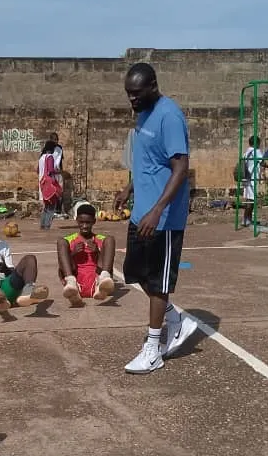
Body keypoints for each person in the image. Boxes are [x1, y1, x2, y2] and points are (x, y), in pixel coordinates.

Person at [114, 63, 199, 374]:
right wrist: (129, 187)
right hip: (142, 213)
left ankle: (153, 350)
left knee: (158, 282)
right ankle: (175, 318)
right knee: (134, 273)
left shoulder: (170, 116)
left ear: (153, 86)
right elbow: (148, 160)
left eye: (136, 93)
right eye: (128, 95)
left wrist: (158, 209)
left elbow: (180, 169)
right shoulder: (143, 113)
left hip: (163, 219)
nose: (132, 100)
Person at [57, 203, 116, 307]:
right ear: (77, 220)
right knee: (61, 242)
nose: (84, 226)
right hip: (76, 285)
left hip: (99, 284)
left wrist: (97, 252)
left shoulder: (101, 239)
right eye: (81, 222)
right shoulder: (70, 240)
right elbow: (60, 268)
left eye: (88, 223)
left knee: (110, 239)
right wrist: (72, 254)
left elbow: (107, 264)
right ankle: (71, 283)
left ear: (94, 221)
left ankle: (103, 279)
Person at [240, 136, 265, 228]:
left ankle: (248, 219)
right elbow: (262, 162)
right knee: (251, 200)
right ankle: (245, 220)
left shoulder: (246, 152)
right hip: (252, 179)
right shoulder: (256, 151)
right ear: (256, 143)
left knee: (249, 200)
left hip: (246, 178)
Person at [37, 141, 62, 230]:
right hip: (49, 183)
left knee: (46, 206)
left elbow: (38, 170)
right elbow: (51, 171)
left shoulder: (41, 157)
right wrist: (59, 172)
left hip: (42, 183)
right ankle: (47, 225)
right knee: (51, 206)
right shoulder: (50, 157)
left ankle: (42, 225)